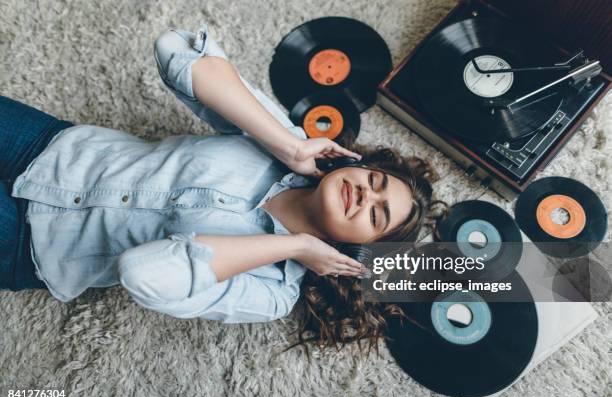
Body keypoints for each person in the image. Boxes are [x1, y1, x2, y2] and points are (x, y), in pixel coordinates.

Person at [0, 25, 439, 349]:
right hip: (51, 147)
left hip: (31, 246)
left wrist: (296, 247)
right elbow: (175, 50)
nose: (365, 194)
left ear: (355, 252)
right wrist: (288, 145)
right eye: (375, 181)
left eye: (376, 214)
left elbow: (140, 274)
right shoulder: (283, 141)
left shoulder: (272, 293)